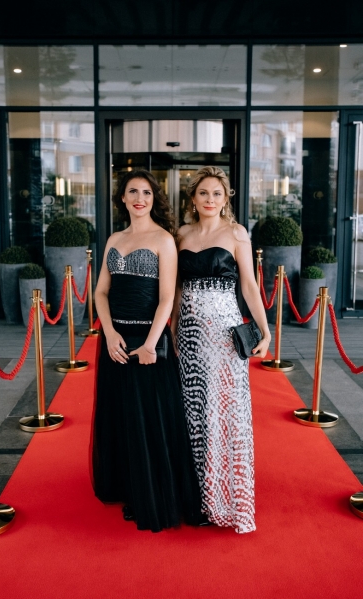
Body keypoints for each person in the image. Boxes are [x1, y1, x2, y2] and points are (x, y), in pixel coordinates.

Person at [91, 169, 202, 533]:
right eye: (133, 192)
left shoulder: (163, 240)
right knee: (121, 415)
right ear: (122, 198)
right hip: (115, 341)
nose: (140, 198)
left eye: (147, 193)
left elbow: (167, 298)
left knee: (147, 419)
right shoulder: (114, 238)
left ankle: (150, 494)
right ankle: (127, 486)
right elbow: (101, 292)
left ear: (154, 199)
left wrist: (151, 344)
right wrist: (109, 333)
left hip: (148, 341)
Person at [170, 166, 271, 533]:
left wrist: (265, 330)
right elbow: (176, 288)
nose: (210, 199)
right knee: (193, 410)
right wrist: (173, 327)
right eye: (203, 193)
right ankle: (196, 496)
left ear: (226, 198)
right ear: (193, 198)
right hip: (190, 333)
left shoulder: (236, 233)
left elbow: (249, 286)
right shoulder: (181, 234)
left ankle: (225, 498)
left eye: (217, 193)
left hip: (224, 336)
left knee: (223, 410)